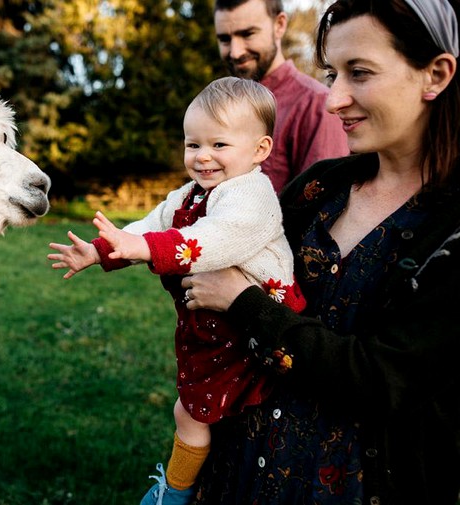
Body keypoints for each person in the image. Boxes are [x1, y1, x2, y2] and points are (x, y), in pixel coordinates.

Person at [182, 1, 460, 504]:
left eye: (359, 73)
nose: (334, 99)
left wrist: (245, 303)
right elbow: (223, 267)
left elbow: (384, 380)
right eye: (332, 74)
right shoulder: (319, 190)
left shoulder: (451, 231)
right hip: (241, 469)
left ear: (435, 74)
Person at [47, 77, 305, 505]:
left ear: (260, 150)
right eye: (192, 145)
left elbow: (211, 240)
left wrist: (146, 248)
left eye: (219, 145)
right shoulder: (188, 195)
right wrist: (99, 252)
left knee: (190, 411)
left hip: (258, 328)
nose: (202, 157)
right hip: (214, 327)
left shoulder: (252, 197)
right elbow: (150, 225)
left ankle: (177, 492)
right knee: (201, 409)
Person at [213, 0, 349, 192]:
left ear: (279, 25)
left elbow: (321, 209)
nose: (236, 52)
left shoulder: (316, 105)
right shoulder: (220, 106)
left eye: (248, 34)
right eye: (225, 39)